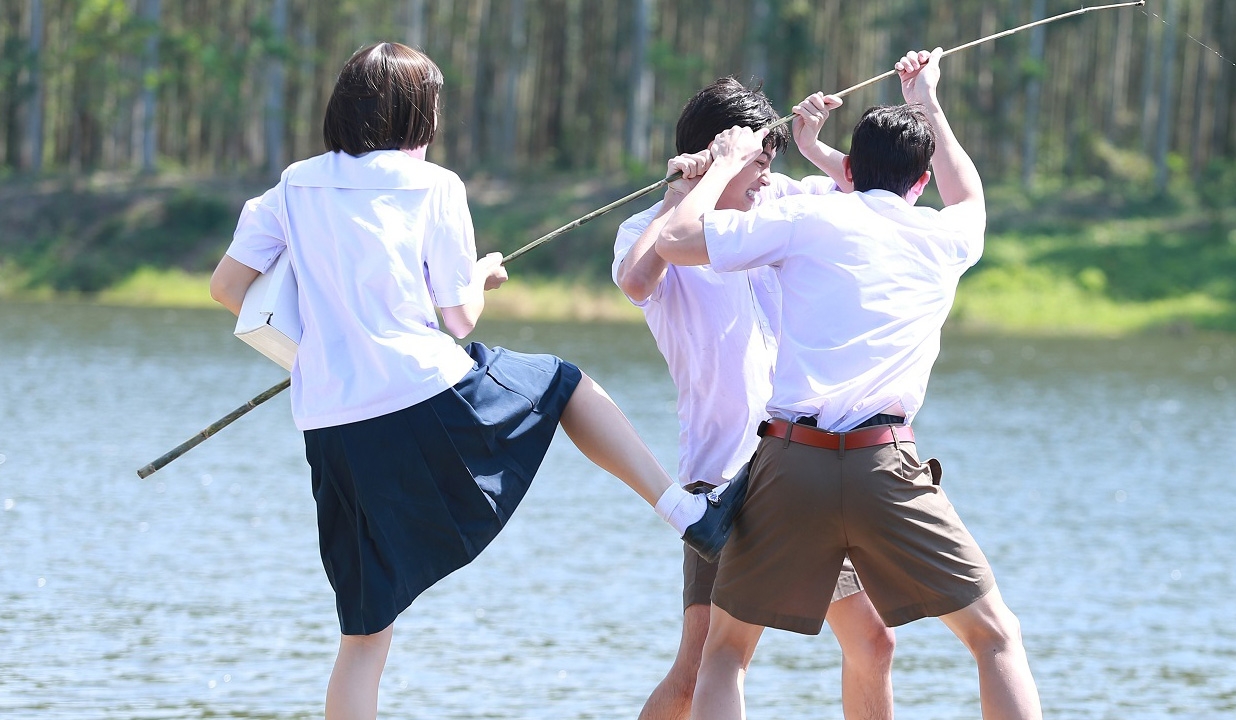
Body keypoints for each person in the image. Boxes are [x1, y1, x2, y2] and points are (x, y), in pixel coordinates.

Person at [207, 42, 739, 720]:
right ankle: (685, 512)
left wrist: (327, 340)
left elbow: (228, 288)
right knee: (564, 383)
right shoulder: (435, 185)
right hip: (423, 396)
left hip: (332, 426)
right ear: (414, 114)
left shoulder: (291, 186)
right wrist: (482, 275)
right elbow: (458, 320)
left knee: (364, 636)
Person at [655, 49, 1043, 720]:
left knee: (725, 652)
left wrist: (722, 163)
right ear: (921, 180)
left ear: (850, 172)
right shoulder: (945, 238)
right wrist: (928, 100)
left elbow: (676, 240)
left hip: (787, 463)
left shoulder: (809, 220)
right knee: (995, 638)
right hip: (884, 465)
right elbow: (967, 195)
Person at [613, 77, 894, 720]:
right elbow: (637, 280)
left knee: (874, 642)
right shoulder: (649, 226)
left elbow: (869, 198)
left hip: (804, 465)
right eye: (755, 161)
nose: (766, 175)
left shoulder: (777, 203)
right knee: (699, 671)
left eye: (770, 161)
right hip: (723, 482)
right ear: (714, 155)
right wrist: (692, 184)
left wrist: (813, 145)